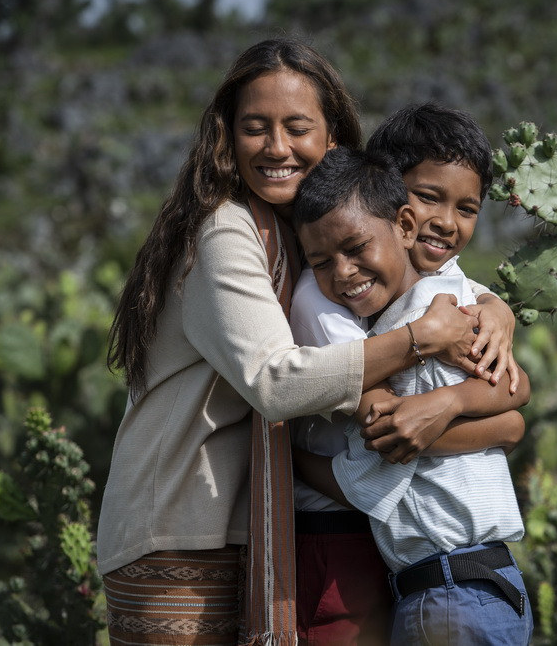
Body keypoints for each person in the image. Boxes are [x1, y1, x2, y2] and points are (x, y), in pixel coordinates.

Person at [99, 38, 517, 645]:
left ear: (335, 141)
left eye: (297, 127)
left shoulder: (317, 236)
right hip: (182, 524)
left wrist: (495, 309)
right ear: (226, 136)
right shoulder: (227, 231)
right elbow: (277, 381)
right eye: (254, 128)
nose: (276, 148)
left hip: (239, 528)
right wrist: (422, 341)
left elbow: (445, 293)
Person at [289, 102, 527, 644]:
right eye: (428, 196)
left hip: (450, 589)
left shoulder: (443, 303)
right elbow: (511, 411)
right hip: (471, 585)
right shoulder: (389, 309)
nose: (443, 221)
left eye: (466, 207)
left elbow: (384, 440)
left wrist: (289, 458)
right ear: (392, 200)